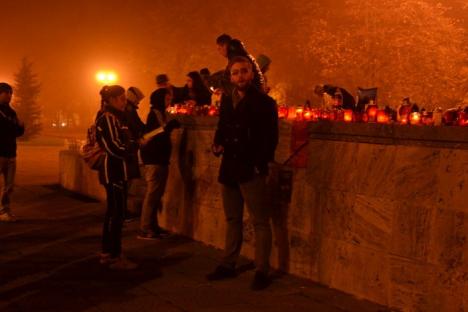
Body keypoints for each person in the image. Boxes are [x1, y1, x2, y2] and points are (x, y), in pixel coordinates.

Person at [207, 56, 279, 291]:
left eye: (244, 71)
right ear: (230, 76)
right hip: (229, 167)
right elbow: (223, 127)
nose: (240, 76)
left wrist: (261, 164)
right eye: (236, 72)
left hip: (251, 168)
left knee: (260, 221)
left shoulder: (265, 103)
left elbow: (271, 138)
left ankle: (261, 270)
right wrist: (217, 143)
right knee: (232, 219)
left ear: (252, 74)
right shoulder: (227, 100)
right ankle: (228, 264)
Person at [96, 85, 138, 270]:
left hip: (117, 170)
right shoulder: (108, 118)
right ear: (111, 100)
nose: (124, 102)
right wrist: (133, 147)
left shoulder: (116, 118)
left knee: (114, 213)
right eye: (121, 98)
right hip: (113, 171)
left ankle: (109, 253)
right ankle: (114, 255)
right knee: (116, 214)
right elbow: (115, 147)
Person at [139, 88, 180, 240]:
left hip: (161, 159)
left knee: (157, 195)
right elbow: (149, 134)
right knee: (152, 195)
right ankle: (145, 228)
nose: (169, 102)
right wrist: (168, 128)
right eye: (167, 99)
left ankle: (153, 226)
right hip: (153, 159)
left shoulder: (161, 113)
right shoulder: (153, 114)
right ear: (159, 99)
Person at [0, 83, 24, 222]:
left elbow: (18, 131)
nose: (9, 96)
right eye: (6, 93)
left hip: (11, 153)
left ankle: (5, 210)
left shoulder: (11, 112)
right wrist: (15, 126)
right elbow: (8, 128)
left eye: (11, 93)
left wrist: (19, 127)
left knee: (9, 186)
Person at [123, 87, 145, 221]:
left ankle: (122, 211)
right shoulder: (129, 111)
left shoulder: (129, 110)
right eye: (138, 100)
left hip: (129, 150)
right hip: (129, 151)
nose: (139, 103)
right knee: (126, 181)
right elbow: (137, 126)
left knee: (126, 182)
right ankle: (122, 212)